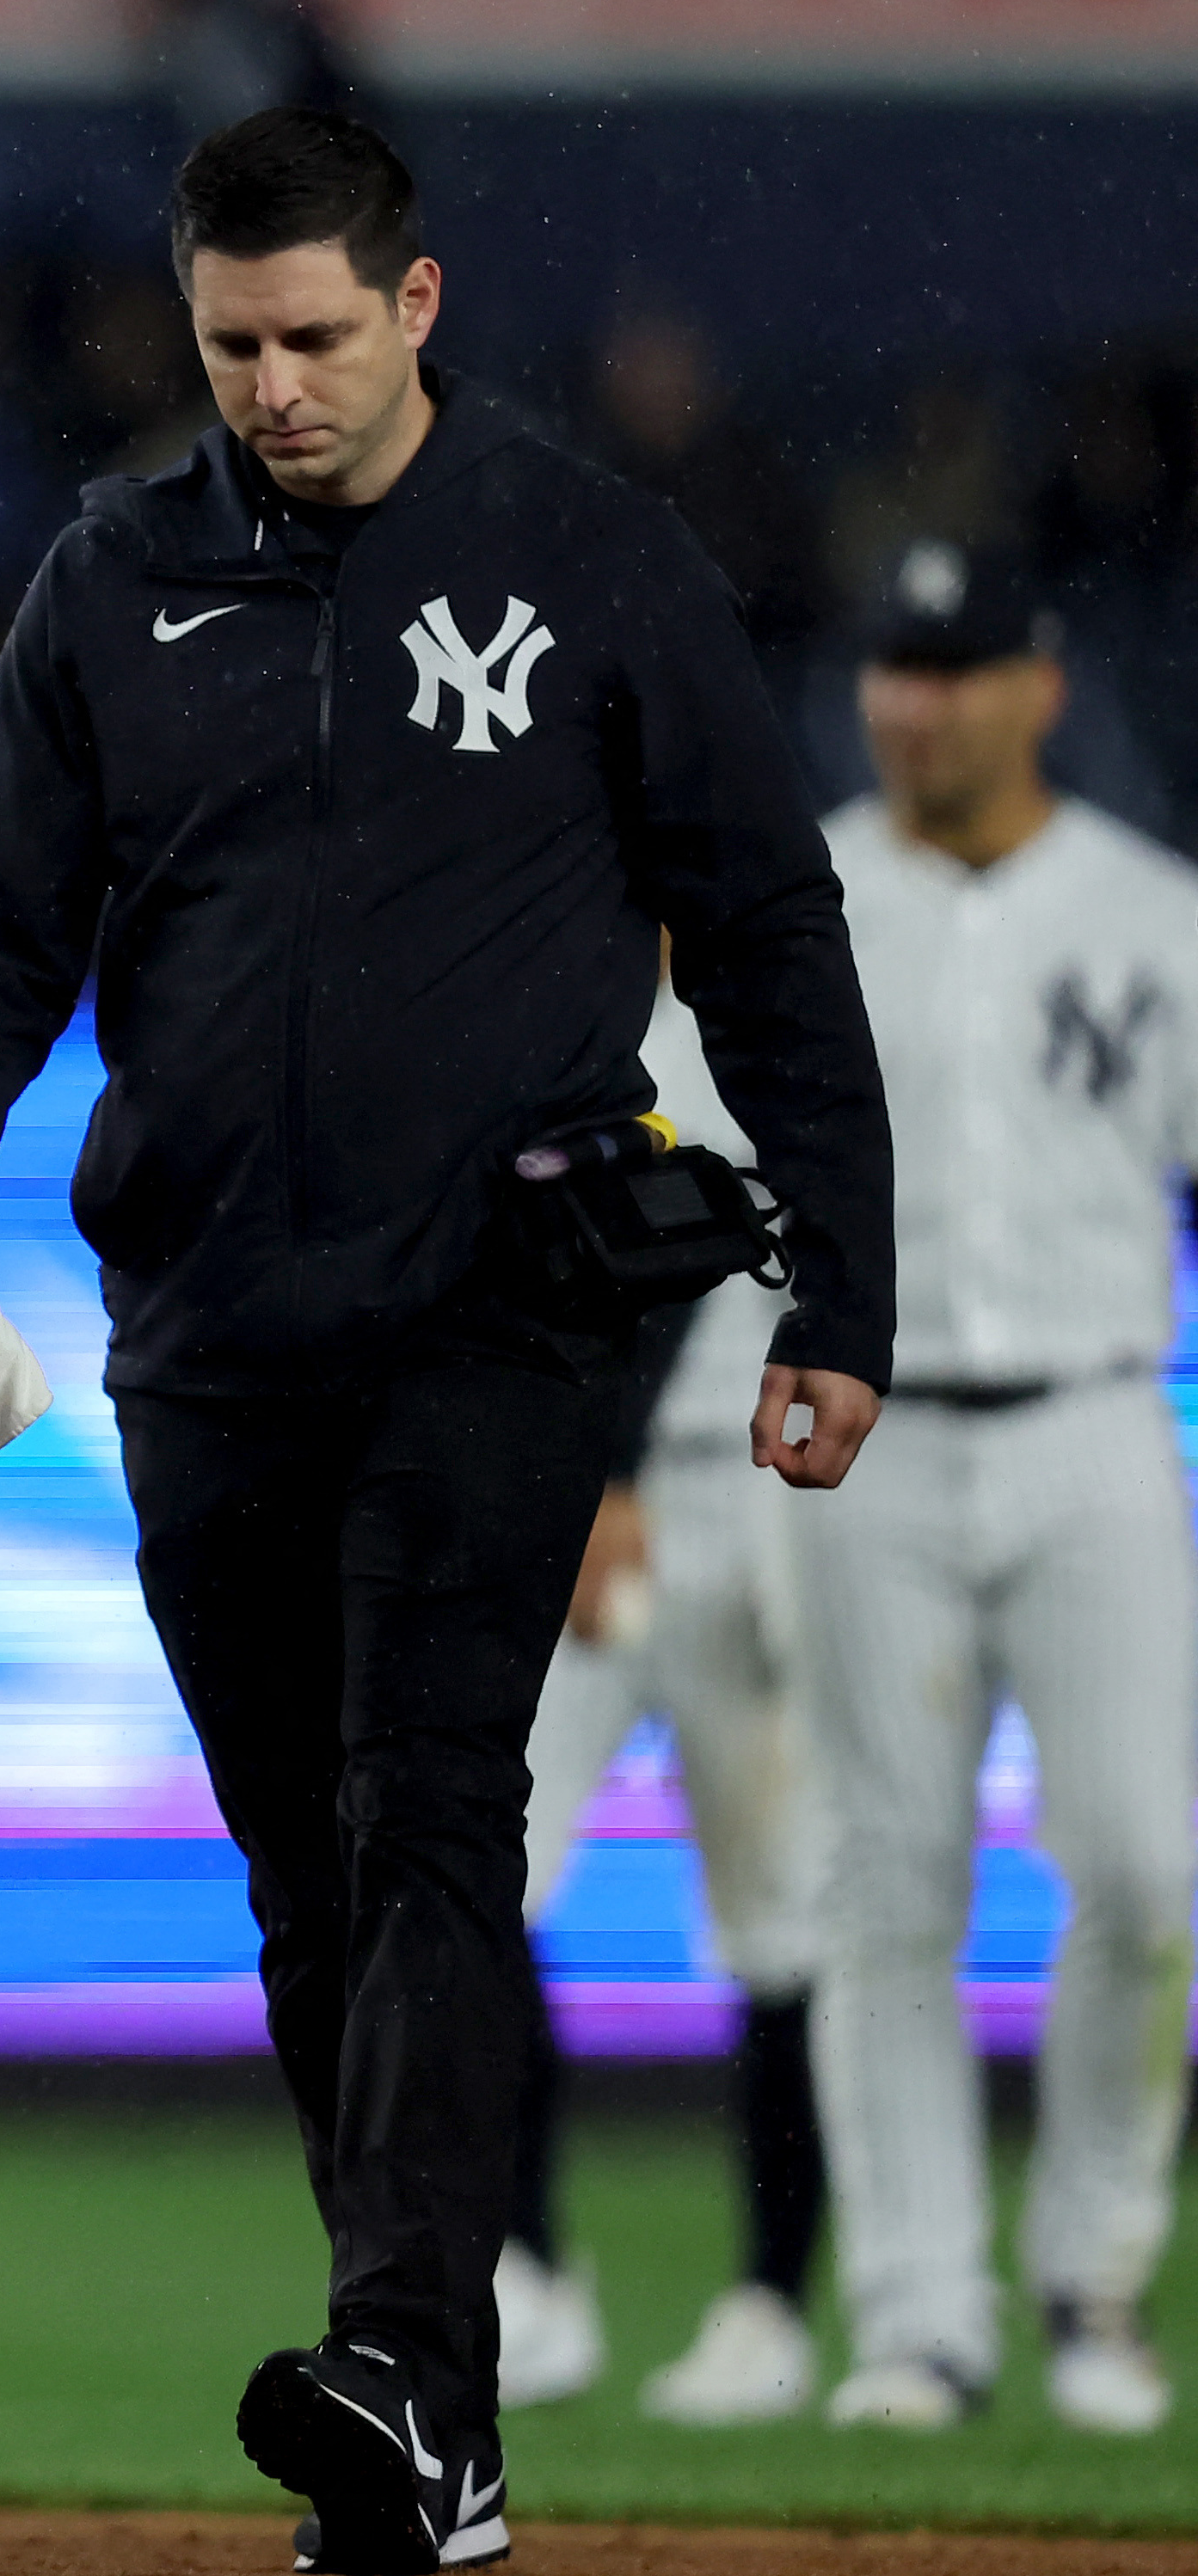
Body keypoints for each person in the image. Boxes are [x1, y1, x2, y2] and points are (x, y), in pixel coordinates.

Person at [0, 108, 893, 2575]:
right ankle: (429, 2398)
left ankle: (410, 2370)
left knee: (428, 1816)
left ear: (411, 309)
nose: (274, 388)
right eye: (231, 345)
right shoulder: (113, 577)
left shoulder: (580, 564)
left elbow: (763, 927)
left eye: (315, 336)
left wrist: (841, 1284)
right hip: (203, 1319)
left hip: (493, 1310)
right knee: (303, 1877)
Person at [796, 540, 1198, 2439]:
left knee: (1144, 1867)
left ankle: (1092, 2278)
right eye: (892, 663)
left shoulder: (1149, 913)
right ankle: (916, 2318)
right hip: (861, 1435)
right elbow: (691, 1174)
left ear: (1035, 686)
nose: (914, 702)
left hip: (1092, 1422)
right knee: (884, 1885)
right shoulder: (791, 898)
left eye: (951, 667)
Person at [495, 987, 832, 2426]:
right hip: (565, 1484)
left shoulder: (790, 1007)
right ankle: (518, 2274)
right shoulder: (539, 985)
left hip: (744, 1493)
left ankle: (770, 2302)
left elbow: (718, 1259)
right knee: (475, 1880)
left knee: (780, 1920)